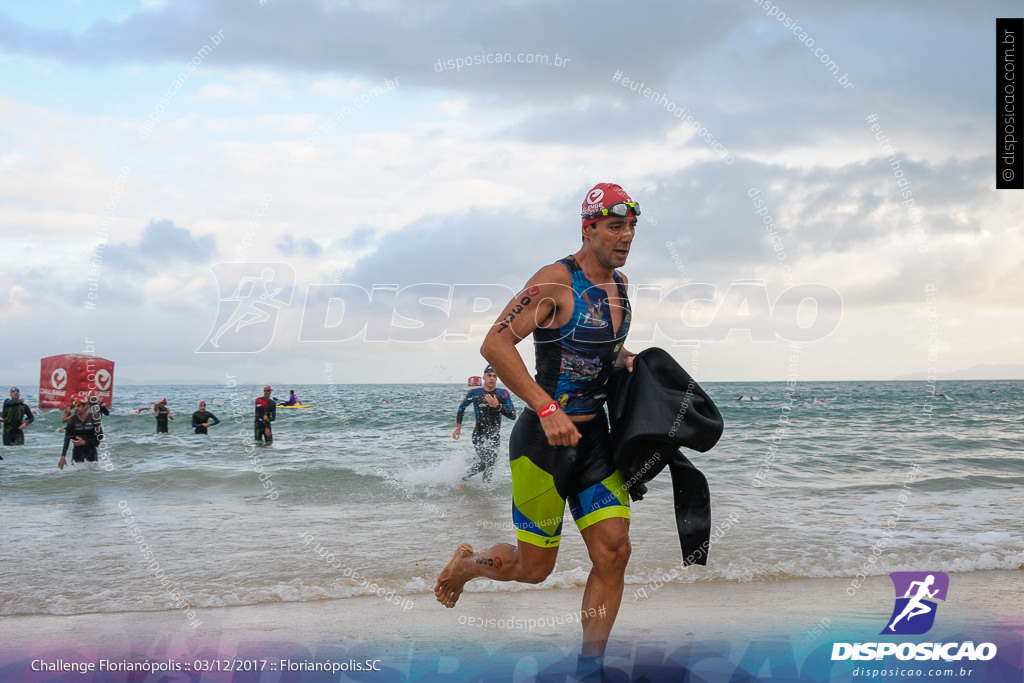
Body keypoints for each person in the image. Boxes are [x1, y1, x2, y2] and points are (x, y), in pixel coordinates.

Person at [434, 182, 639, 673]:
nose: (626, 235)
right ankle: (466, 566)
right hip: (542, 446)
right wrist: (547, 408)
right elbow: (496, 345)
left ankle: (590, 666)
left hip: (595, 443)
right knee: (533, 570)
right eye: (615, 226)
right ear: (588, 229)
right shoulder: (554, 281)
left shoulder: (620, 285)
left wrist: (626, 359)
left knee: (614, 551)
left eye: (632, 226)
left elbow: (602, 350)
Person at [453, 365, 517, 484]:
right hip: (479, 434)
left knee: (490, 466)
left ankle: (485, 494)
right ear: (484, 377)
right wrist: (458, 428)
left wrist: (498, 406)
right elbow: (461, 408)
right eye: (489, 375)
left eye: (494, 376)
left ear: (497, 378)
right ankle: (464, 478)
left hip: (494, 436)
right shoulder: (474, 393)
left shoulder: (503, 394)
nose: (491, 378)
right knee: (488, 460)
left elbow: (513, 415)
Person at [58, 399, 102, 469]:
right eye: (75, 406)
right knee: (76, 475)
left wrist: (85, 442)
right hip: (78, 453)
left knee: (93, 475)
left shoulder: (94, 419)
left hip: (91, 453)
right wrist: (63, 456)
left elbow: (99, 438)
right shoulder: (72, 420)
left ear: (85, 406)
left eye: (78, 406)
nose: (76, 408)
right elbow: (67, 438)